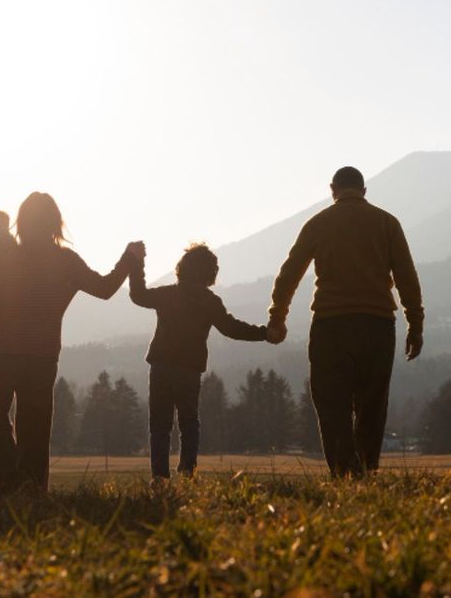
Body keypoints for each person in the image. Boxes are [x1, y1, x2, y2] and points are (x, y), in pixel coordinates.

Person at [0, 192, 143, 496]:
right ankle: (33, 493)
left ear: (21, 222)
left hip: (0, 351)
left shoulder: (6, 256)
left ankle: (14, 488)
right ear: (55, 223)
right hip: (42, 356)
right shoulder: (66, 261)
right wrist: (128, 259)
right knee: (35, 431)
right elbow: (105, 288)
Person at [266, 166, 424, 477]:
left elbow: (289, 273)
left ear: (332, 190)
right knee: (372, 403)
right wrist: (415, 324)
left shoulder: (319, 223)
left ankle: (343, 470)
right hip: (378, 325)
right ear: (364, 191)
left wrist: (278, 316)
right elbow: (407, 277)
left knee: (331, 402)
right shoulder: (387, 223)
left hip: (331, 325)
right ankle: (364, 469)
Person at [129, 244, 269, 480]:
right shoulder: (210, 301)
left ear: (182, 268)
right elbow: (232, 329)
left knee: (160, 426)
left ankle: (159, 478)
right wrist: (265, 333)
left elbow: (138, 295)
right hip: (189, 370)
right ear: (210, 273)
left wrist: (136, 262)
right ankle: (187, 473)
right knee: (189, 423)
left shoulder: (167, 294)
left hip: (161, 366)